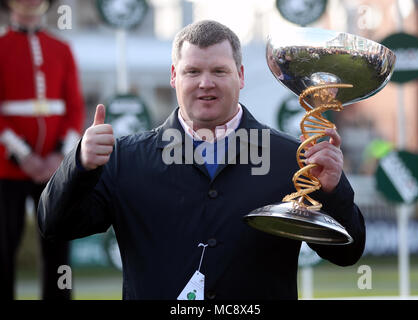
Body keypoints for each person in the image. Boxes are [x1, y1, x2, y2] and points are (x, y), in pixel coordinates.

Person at [38, 20, 365, 300]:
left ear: (240, 75)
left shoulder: (294, 158)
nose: (205, 83)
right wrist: (78, 164)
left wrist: (334, 192)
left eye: (219, 71)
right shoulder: (124, 158)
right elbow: (54, 225)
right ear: (173, 76)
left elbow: (346, 253)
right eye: (192, 71)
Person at [0, 0, 84, 299]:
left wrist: (58, 155)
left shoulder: (61, 49)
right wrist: (22, 154)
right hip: (7, 169)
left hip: (53, 168)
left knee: (58, 246)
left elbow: (74, 108)